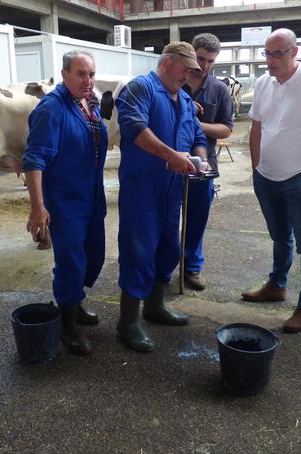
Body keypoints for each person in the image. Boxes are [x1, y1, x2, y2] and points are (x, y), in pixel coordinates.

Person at [115, 41, 208, 352]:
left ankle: (155, 306)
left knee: (168, 247)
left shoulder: (182, 97)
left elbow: (196, 134)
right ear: (167, 62)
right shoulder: (139, 89)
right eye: (185, 69)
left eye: (192, 72)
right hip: (142, 189)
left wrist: (200, 155)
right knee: (138, 250)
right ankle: (128, 322)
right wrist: (170, 156)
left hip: (171, 190)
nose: (188, 76)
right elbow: (135, 128)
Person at [240, 28, 301, 333]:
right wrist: (257, 168)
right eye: (267, 53)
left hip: (298, 179)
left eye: (277, 53)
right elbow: (256, 128)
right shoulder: (264, 83)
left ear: (295, 52)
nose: (270, 60)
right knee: (280, 237)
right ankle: (277, 285)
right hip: (266, 177)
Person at [23, 50, 107, 356]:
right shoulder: (51, 109)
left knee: (94, 255)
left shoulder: (90, 103)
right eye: (81, 74)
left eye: (92, 74)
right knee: (71, 263)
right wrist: (37, 207)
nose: (88, 81)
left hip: (92, 196)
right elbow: (33, 159)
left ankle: (75, 303)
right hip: (65, 201)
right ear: (65, 75)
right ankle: (67, 326)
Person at [181, 33, 234, 291]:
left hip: (204, 165)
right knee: (166, 217)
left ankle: (191, 267)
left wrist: (195, 124)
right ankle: (164, 265)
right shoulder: (172, 82)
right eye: (200, 58)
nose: (204, 65)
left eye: (210, 61)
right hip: (169, 160)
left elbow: (226, 129)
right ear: (192, 52)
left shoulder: (219, 89)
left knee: (197, 218)